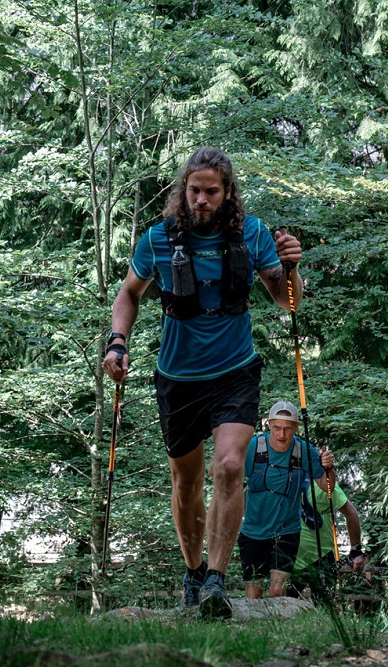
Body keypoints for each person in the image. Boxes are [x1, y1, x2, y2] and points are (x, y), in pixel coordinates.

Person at [102, 148, 305, 619]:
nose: (201, 200)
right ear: (184, 191)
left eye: (211, 191)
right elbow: (128, 294)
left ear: (227, 191)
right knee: (185, 481)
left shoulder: (252, 234)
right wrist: (116, 343)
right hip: (178, 377)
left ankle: (216, 577)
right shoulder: (157, 239)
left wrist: (292, 267)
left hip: (235, 371)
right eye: (194, 190)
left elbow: (288, 302)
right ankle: (193, 572)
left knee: (231, 467)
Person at [239, 401, 335, 599]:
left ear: (296, 428)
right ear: (269, 425)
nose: (281, 435)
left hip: (287, 531)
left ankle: (278, 629)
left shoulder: (304, 451)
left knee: (277, 590)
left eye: (287, 429)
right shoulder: (254, 447)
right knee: (253, 593)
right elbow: (224, 472)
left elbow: (327, 487)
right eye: (277, 428)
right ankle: (256, 630)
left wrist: (328, 468)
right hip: (253, 531)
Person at [289, 480, 365, 601]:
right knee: (281, 608)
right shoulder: (282, 480)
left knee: (325, 610)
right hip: (291, 557)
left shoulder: (322, 483)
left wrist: (356, 550)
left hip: (323, 557)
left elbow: (351, 513)